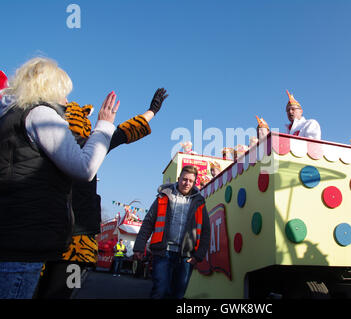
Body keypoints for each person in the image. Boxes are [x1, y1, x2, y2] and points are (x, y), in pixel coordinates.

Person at [0, 57, 119, 299]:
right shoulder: (40, 114)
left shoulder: (7, 117)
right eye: (63, 94)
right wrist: (104, 126)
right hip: (25, 243)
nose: (66, 101)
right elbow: (85, 168)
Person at [34, 88, 168, 299]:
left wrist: (151, 111)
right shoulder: (45, 141)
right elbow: (121, 133)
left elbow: (122, 133)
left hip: (75, 239)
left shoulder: (91, 145)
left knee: (59, 292)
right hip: (48, 237)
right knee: (51, 292)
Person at [133, 165, 211, 299]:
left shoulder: (199, 202)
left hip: (186, 256)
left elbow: (206, 231)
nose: (187, 183)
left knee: (178, 295)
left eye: (191, 181)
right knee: (160, 291)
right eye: (184, 179)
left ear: (194, 182)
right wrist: (139, 246)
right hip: (163, 252)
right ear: (178, 178)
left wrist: (198, 255)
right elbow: (148, 222)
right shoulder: (163, 196)